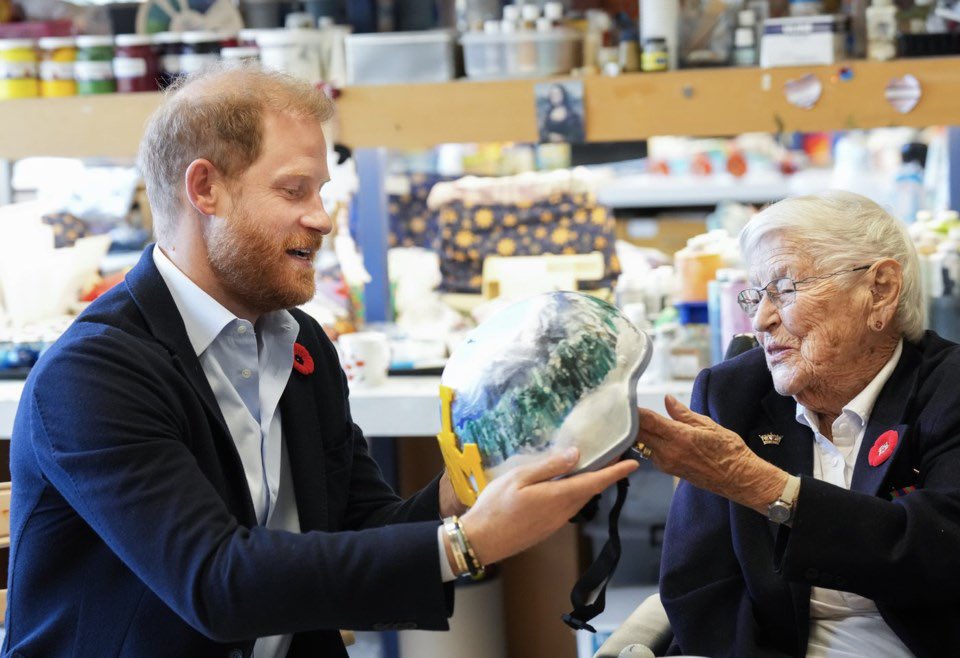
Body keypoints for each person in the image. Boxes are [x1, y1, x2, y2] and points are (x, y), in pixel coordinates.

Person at [4, 65, 637, 658]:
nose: (323, 218)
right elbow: (215, 583)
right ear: (205, 189)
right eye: (293, 190)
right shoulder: (91, 376)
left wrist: (471, 492)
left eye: (322, 190)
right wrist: (465, 544)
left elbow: (360, 529)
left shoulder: (298, 343)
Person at [636, 190, 960, 657]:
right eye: (756, 296)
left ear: (881, 290)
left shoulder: (948, 390)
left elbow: (940, 556)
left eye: (786, 289)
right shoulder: (732, 395)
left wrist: (762, 486)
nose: (762, 320)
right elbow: (700, 586)